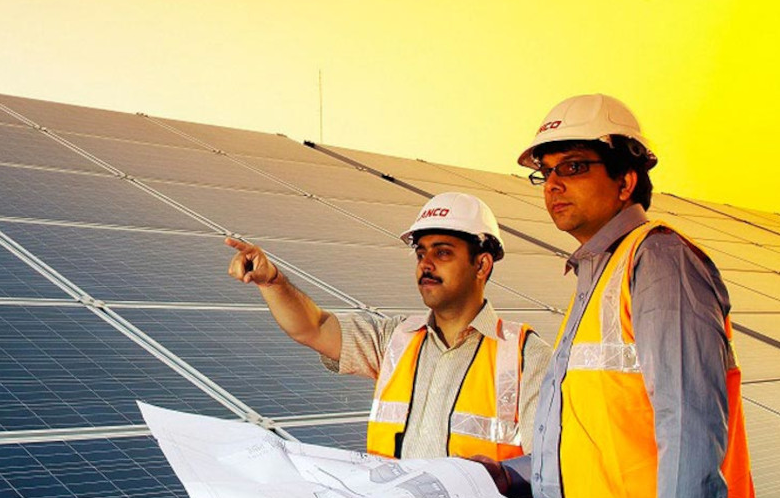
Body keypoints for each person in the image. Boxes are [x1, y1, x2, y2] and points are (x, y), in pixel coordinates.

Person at [482, 94, 755, 498]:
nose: (553, 184)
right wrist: (512, 474)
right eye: (546, 172)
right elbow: (596, 440)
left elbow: (691, 426)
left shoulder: (660, 261)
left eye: (574, 167)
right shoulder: (599, 273)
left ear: (626, 181)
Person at [225, 192, 551, 460]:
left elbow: (547, 467)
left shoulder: (527, 357)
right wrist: (272, 282)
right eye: (421, 253)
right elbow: (313, 327)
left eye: (443, 253)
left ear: (481, 265)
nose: (426, 264)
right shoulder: (395, 339)